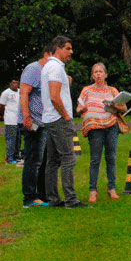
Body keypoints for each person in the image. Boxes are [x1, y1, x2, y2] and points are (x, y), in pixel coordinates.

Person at [41, 36, 83, 208]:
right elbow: (54, 97)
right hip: (58, 119)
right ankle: (71, 200)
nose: (71, 52)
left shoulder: (50, 67)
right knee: (69, 158)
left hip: (50, 119)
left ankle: (52, 199)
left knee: (52, 161)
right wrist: (66, 116)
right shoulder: (55, 68)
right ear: (57, 49)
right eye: (68, 48)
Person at [76, 63, 127, 203]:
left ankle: (112, 188)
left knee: (111, 157)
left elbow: (123, 107)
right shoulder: (86, 90)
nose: (98, 74)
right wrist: (83, 109)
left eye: (101, 72)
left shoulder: (112, 91)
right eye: (95, 72)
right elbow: (78, 108)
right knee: (95, 159)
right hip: (94, 127)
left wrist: (113, 105)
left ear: (105, 75)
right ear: (92, 75)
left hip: (111, 126)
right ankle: (93, 190)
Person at [18, 45, 53, 207]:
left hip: (43, 122)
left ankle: (42, 195)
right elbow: (24, 92)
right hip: (32, 122)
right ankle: (30, 197)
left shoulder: (48, 71)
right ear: (46, 54)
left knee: (44, 160)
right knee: (33, 160)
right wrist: (26, 116)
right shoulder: (34, 68)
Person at [2, 79, 20, 163]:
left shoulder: (20, 92)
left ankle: (16, 156)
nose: (15, 84)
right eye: (13, 83)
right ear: (10, 84)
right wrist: (4, 115)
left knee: (18, 139)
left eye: (16, 82)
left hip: (19, 120)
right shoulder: (6, 93)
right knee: (10, 140)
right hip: (10, 120)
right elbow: (2, 105)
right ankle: (9, 158)